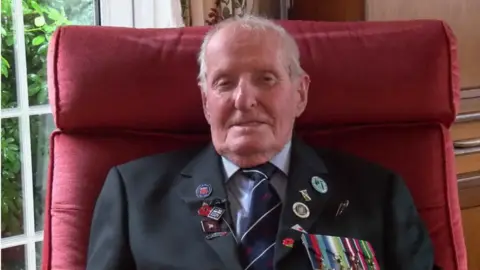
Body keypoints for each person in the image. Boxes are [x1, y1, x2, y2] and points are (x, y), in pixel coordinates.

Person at [86, 15, 436, 270]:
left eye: (266, 79)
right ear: (206, 101)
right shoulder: (133, 194)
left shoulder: (377, 192)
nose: (244, 99)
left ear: (300, 93)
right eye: (224, 83)